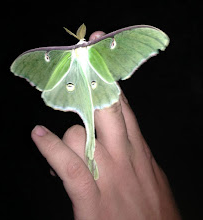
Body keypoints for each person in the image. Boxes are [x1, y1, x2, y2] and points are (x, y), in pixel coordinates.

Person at [31, 31, 182, 220]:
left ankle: (90, 160)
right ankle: (90, 159)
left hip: (84, 81)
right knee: (86, 119)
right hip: (77, 81)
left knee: (88, 123)